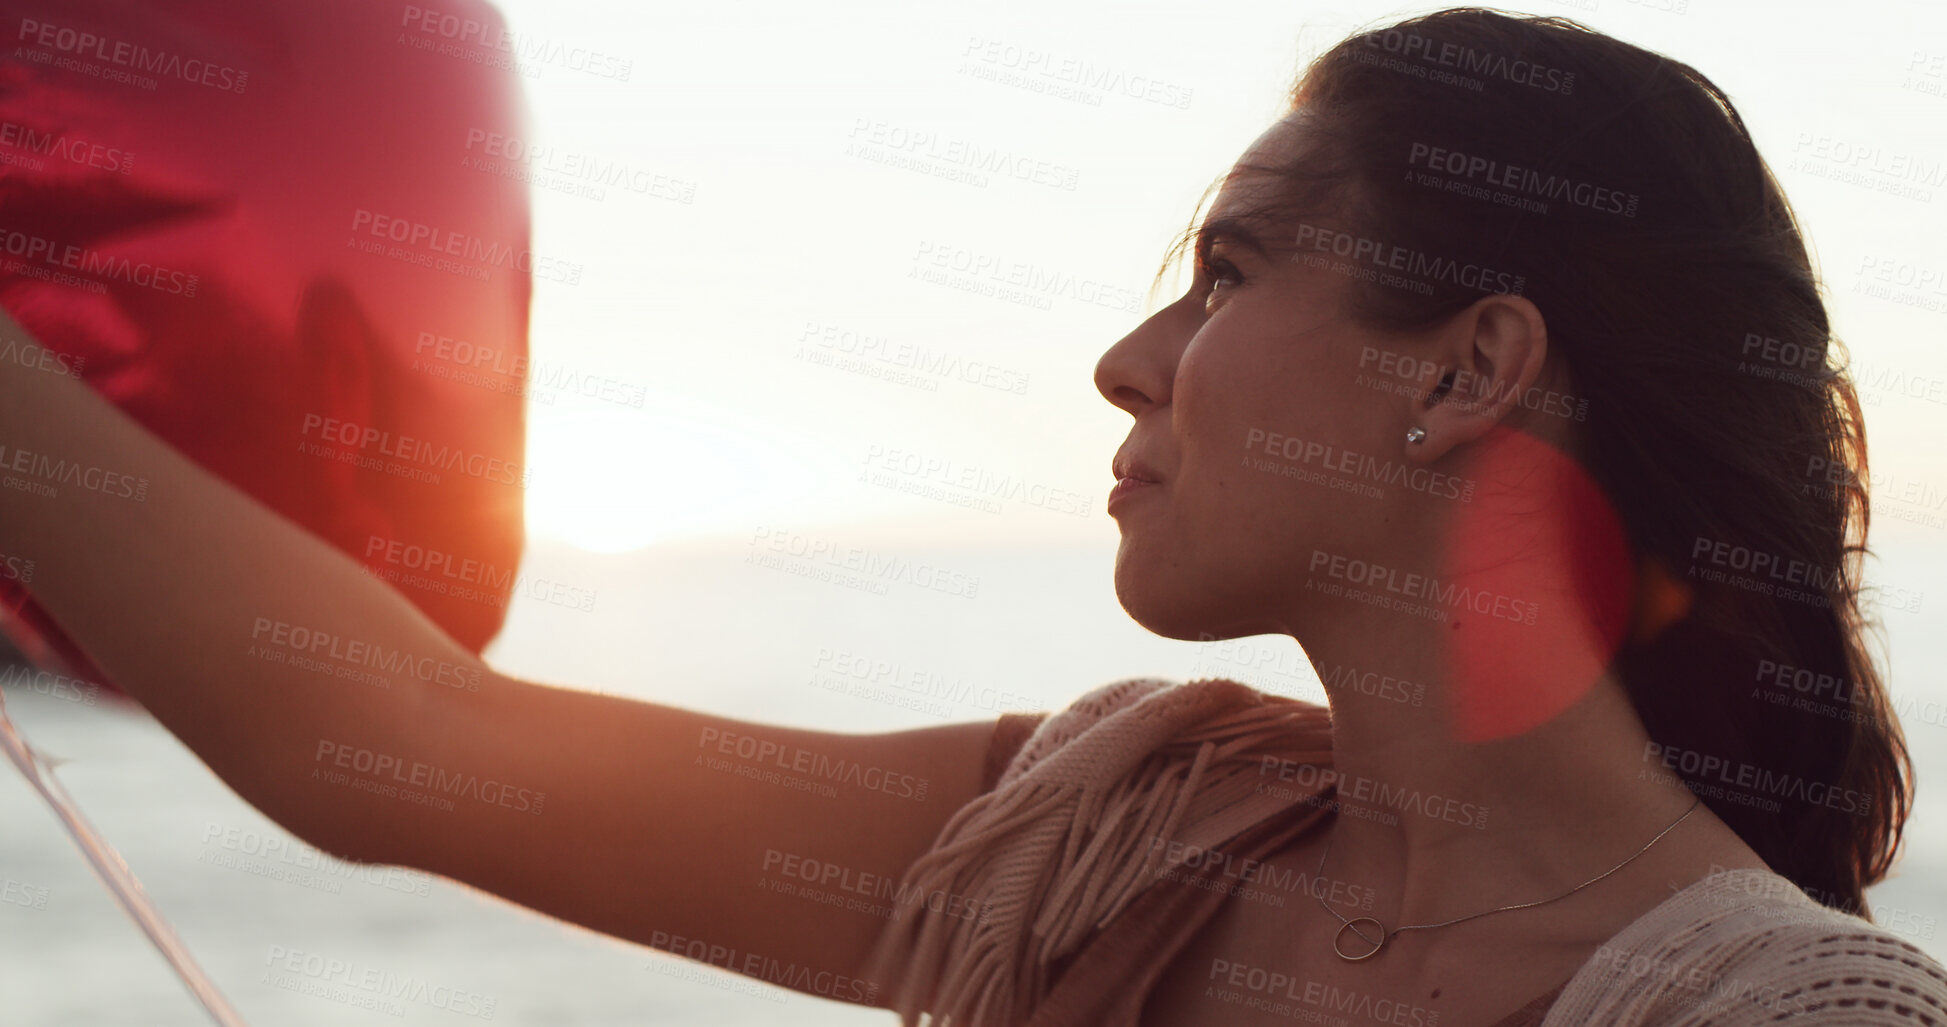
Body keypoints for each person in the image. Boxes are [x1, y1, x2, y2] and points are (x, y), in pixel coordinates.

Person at [2, 7, 1942, 1026]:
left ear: (1462, 372)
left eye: (1227, 273)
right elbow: (407, 747)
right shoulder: (1122, 828)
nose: (1124, 356)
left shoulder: (1776, 1017)